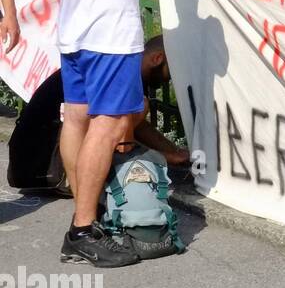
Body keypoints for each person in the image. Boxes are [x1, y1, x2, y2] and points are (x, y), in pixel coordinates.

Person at [27, 0, 165, 268]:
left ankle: (83, 208)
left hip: (73, 31)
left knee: (77, 117)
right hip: (111, 31)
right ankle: (83, 229)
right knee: (107, 125)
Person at [8, 34, 189, 191]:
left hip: (29, 165)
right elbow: (118, 132)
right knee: (136, 109)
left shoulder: (113, 68)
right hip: (43, 166)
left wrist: (174, 152)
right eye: (172, 72)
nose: (170, 81)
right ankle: (83, 184)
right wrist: (164, 157)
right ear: (157, 58)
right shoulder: (122, 76)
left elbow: (137, 126)